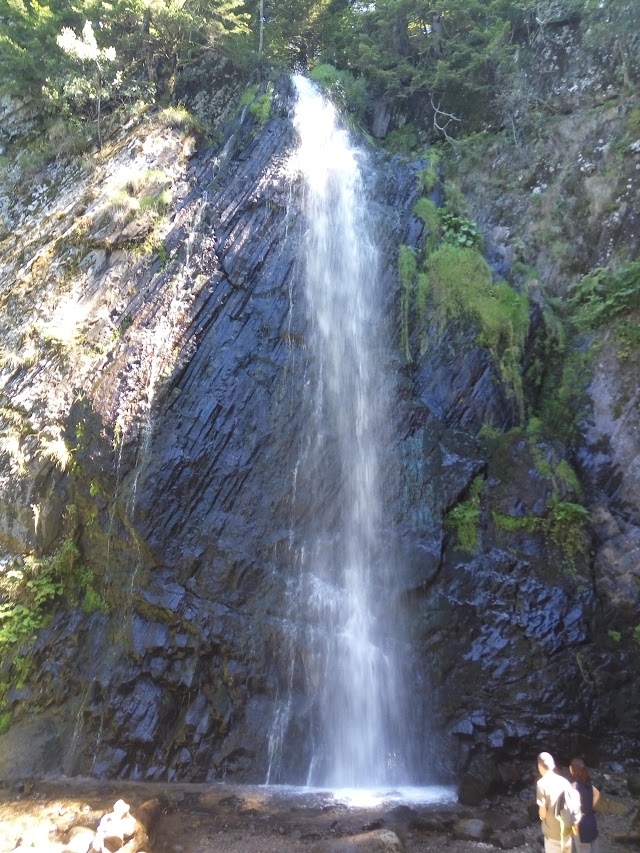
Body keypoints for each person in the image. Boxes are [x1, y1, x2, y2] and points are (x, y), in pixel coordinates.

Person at [536, 752, 579, 852]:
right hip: (566, 830)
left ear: (540, 766)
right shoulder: (564, 781)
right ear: (553, 765)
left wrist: (541, 816)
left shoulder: (541, 784)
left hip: (552, 833)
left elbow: (543, 814)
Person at [570, 757, 600, 852]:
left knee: (583, 849)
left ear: (573, 770)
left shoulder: (573, 787)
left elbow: (573, 809)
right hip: (591, 820)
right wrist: (589, 807)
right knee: (594, 847)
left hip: (581, 825)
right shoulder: (588, 783)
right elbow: (597, 794)